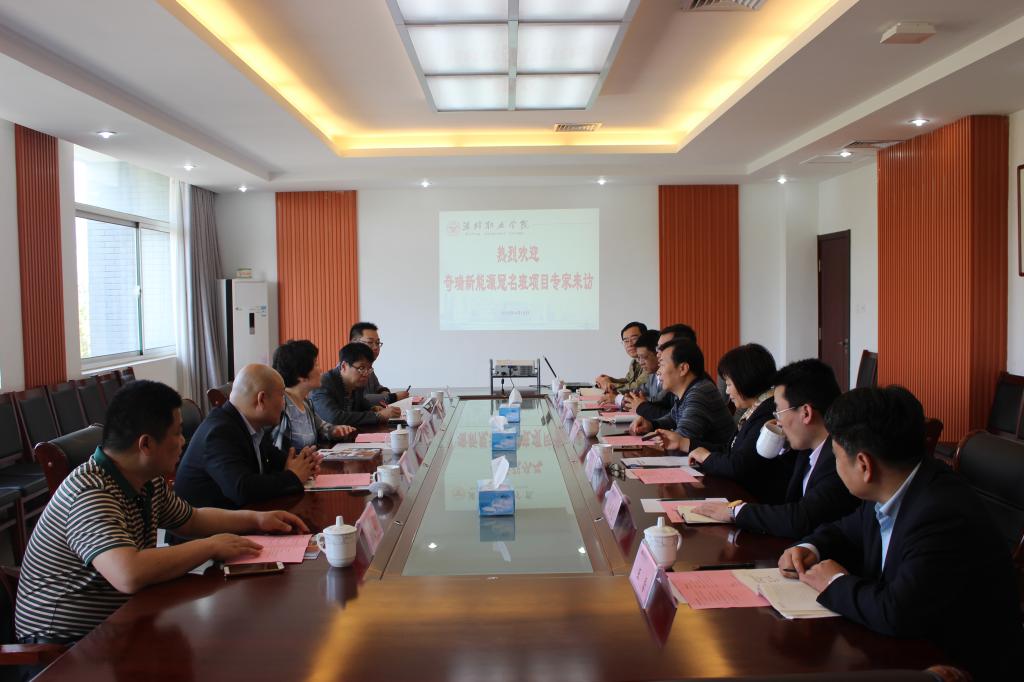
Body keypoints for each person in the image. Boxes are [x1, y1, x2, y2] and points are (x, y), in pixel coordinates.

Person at [15, 380, 308, 645]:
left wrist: (256, 519)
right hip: (64, 646)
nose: (183, 442)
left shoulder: (146, 479)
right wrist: (211, 546)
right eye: (177, 433)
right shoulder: (90, 491)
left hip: (121, 622)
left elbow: (191, 519)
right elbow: (128, 573)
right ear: (145, 444)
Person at [778, 386, 1023, 680]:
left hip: (956, 667)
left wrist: (834, 582)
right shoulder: (895, 484)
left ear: (864, 465)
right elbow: (847, 530)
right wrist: (810, 548)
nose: (835, 466)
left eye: (837, 457)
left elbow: (897, 612)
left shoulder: (940, 513)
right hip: (905, 650)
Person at [693, 359, 858, 538]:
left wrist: (735, 512)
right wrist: (781, 446)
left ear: (806, 413)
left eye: (779, 412)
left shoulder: (839, 460)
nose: (777, 421)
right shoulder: (807, 449)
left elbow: (800, 519)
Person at [174, 364, 320, 509]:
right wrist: (293, 476)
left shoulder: (249, 424)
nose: (283, 404)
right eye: (282, 396)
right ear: (262, 399)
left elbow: (274, 459)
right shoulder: (220, 432)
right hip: (209, 523)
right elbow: (241, 489)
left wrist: (303, 463)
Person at [689, 343, 794, 504]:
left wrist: (706, 457)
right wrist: (689, 445)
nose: (726, 391)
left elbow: (740, 466)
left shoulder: (768, 412)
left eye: (729, 384)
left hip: (758, 503)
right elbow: (730, 450)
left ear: (745, 380)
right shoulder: (756, 408)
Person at [629, 338, 735, 453]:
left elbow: (679, 443)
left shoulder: (700, 393)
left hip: (720, 461)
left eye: (662, 365)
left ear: (683, 368)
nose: (658, 371)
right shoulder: (688, 390)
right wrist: (651, 424)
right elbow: (672, 418)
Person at [271, 339, 356, 452]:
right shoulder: (281, 403)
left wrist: (334, 431)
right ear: (300, 375)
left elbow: (321, 427)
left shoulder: (305, 403)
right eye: (316, 364)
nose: (320, 369)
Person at [310, 343, 400, 426]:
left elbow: (361, 404)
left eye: (369, 369)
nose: (366, 374)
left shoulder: (357, 383)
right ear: (344, 366)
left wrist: (372, 408)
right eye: (361, 368)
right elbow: (334, 418)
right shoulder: (323, 384)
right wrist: (378, 416)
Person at [629, 324, 697, 422]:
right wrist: (652, 424)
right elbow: (672, 416)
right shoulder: (678, 381)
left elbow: (680, 422)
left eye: (663, 348)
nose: (658, 354)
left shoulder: (698, 391)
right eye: (658, 348)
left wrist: (642, 407)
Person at [349, 321, 409, 406]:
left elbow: (377, 386)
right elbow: (360, 399)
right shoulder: (348, 369)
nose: (375, 347)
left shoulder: (367, 366)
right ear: (354, 343)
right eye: (370, 342)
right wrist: (393, 397)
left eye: (377, 343)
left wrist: (384, 392)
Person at [595, 322, 648, 393]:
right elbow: (628, 381)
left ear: (645, 338)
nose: (630, 344)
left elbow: (637, 386)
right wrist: (610, 379)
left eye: (634, 339)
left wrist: (610, 385)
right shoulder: (634, 361)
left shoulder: (649, 361)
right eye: (626, 341)